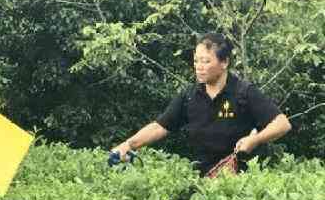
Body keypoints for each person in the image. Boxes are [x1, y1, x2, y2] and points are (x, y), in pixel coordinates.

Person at [111, 33, 292, 176]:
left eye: (206, 61)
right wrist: (128, 145)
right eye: (196, 60)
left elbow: (282, 124)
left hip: (243, 180)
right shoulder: (189, 96)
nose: (199, 66)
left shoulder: (244, 92)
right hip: (205, 179)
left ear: (224, 62)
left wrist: (255, 140)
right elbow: (160, 126)